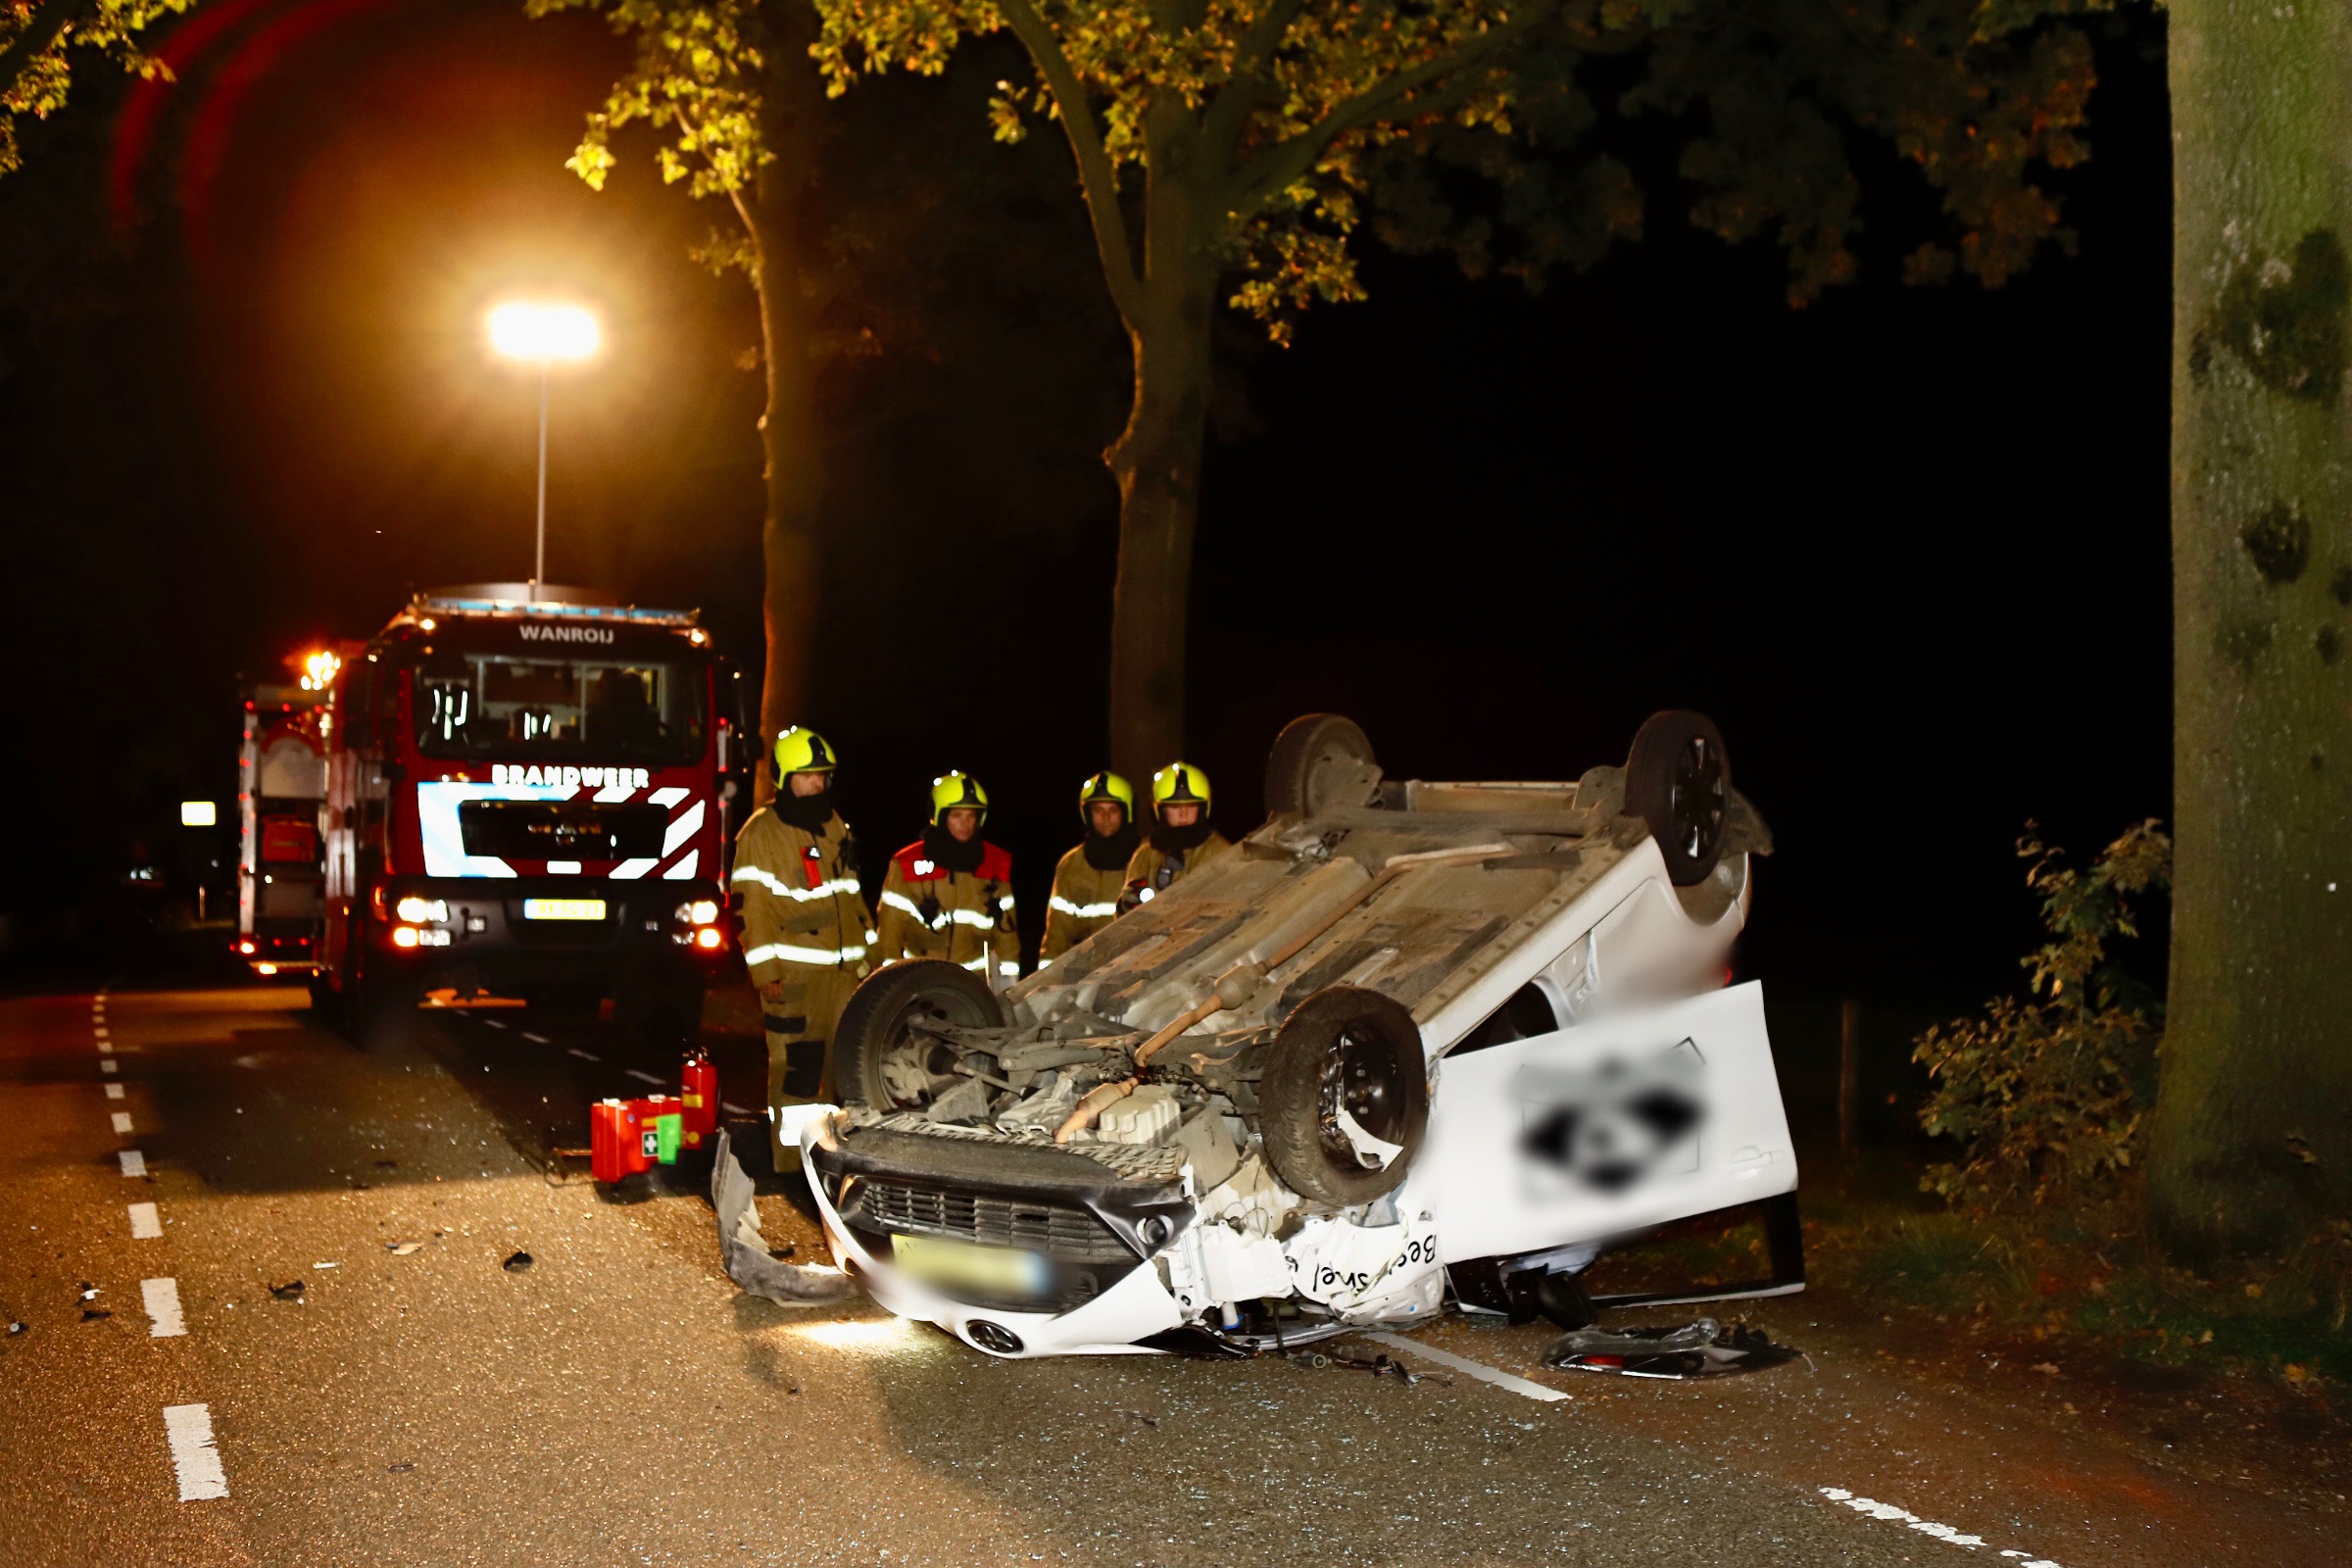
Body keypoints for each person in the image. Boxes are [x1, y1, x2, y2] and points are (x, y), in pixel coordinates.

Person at [731, 726, 872, 1167]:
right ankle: (793, 1164)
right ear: (785, 777)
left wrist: (869, 960)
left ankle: (832, 1157)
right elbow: (748, 908)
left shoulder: (834, 825)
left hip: (843, 976)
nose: (817, 783)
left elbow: (852, 897)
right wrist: (765, 972)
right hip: (793, 979)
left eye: (823, 775)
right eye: (808, 775)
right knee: (796, 1072)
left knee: (840, 1070)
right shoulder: (761, 832)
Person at [874, 771, 1019, 989]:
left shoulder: (994, 865)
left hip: (973, 989)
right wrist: (892, 990)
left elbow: (1007, 940)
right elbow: (889, 938)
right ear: (940, 816)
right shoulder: (906, 865)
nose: (966, 824)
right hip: (919, 984)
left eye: (971, 816)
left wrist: (1010, 989)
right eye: (957, 815)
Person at [1040, 771, 1139, 966]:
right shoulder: (1071, 865)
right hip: (1086, 971)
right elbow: (1057, 936)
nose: (1105, 818)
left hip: (1136, 965)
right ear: (1087, 814)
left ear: (1126, 813)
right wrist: (1044, 981)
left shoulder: (1144, 858)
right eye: (1098, 810)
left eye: (1113, 810)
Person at [1125, 760, 1233, 905]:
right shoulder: (1144, 855)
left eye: (1191, 806)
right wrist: (1128, 904)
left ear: (1202, 808)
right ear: (1161, 810)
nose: (1183, 814)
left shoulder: (1219, 851)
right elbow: (1124, 913)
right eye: (1175, 807)